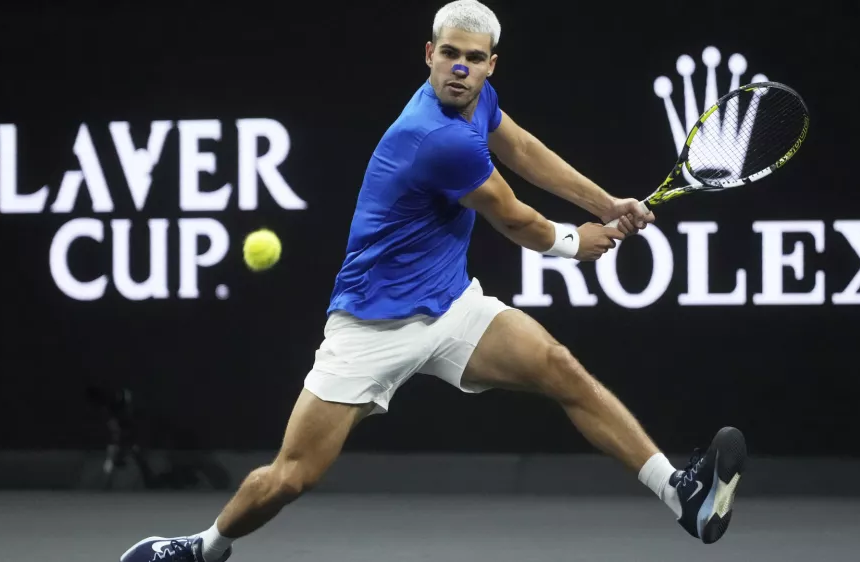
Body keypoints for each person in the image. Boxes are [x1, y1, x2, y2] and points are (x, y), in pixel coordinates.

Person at [119, 1, 746, 560]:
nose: (460, 68)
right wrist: (574, 243)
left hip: (450, 307)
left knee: (560, 367)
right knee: (291, 477)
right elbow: (515, 218)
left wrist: (606, 203)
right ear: (429, 54)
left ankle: (680, 495)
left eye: (473, 58)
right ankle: (204, 549)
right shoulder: (433, 137)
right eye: (449, 54)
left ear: (491, 65)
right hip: (372, 325)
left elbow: (523, 150)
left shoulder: (479, 103)